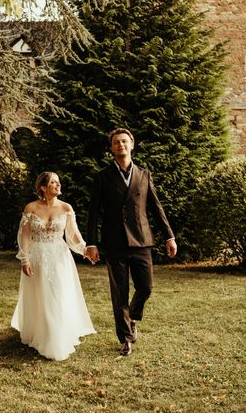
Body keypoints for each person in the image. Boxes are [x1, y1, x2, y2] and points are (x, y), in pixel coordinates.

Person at [86, 128, 177, 356]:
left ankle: (133, 316)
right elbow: (93, 213)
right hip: (114, 242)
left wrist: (169, 235)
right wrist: (92, 243)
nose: (121, 145)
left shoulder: (144, 174)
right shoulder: (102, 177)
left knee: (146, 287)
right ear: (112, 148)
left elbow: (156, 207)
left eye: (124, 141)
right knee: (120, 293)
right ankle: (125, 338)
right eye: (116, 142)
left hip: (141, 240)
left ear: (132, 145)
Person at [11, 171, 96, 361]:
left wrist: (85, 251)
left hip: (60, 257)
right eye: (53, 182)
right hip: (37, 256)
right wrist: (25, 259)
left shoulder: (66, 208)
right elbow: (24, 236)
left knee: (59, 293)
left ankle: (58, 333)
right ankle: (42, 332)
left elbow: (73, 236)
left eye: (59, 182)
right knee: (41, 294)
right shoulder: (31, 208)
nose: (58, 185)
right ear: (43, 187)